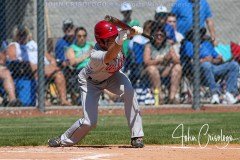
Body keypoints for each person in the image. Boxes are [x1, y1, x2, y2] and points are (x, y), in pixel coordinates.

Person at [48, 20, 144, 148]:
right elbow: (110, 56)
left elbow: (122, 37)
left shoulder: (116, 41)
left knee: (129, 92)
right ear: (101, 41)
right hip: (90, 82)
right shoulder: (96, 55)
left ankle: (136, 136)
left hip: (112, 76)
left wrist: (131, 31)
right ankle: (63, 139)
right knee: (89, 122)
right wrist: (120, 39)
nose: (113, 39)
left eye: (114, 37)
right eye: (109, 38)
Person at [7, 25, 71, 106]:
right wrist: (33, 65)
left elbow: (49, 57)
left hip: (44, 67)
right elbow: (13, 60)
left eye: (24, 34)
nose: (22, 37)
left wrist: (52, 62)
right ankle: (41, 100)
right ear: (16, 36)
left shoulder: (34, 44)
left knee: (59, 73)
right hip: (27, 69)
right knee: (37, 70)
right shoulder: (14, 45)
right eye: (20, 35)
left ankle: (63, 100)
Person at [182, 28, 239, 104]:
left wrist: (211, 60)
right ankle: (214, 93)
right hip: (198, 72)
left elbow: (219, 58)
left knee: (233, 65)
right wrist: (205, 60)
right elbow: (192, 61)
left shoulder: (207, 44)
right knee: (206, 65)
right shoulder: (189, 44)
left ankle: (229, 94)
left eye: (199, 34)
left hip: (213, 68)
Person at [144, 24, 182, 104]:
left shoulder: (168, 45)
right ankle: (160, 96)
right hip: (153, 72)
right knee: (152, 69)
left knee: (178, 67)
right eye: (157, 35)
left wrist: (171, 57)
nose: (159, 37)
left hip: (166, 70)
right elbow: (146, 61)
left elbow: (177, 61)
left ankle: (172, 97)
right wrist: (162, 60)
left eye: (161, 35)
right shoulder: (149, 45)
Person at [65, 27, 93, 104]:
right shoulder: (71, 48)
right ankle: (111, 96)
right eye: (79, 36)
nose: (82, 38)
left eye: (84, 36)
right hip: (80, 69)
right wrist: (87, 55)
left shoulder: (91, 45)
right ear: (75, 37)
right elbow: (72, 62)